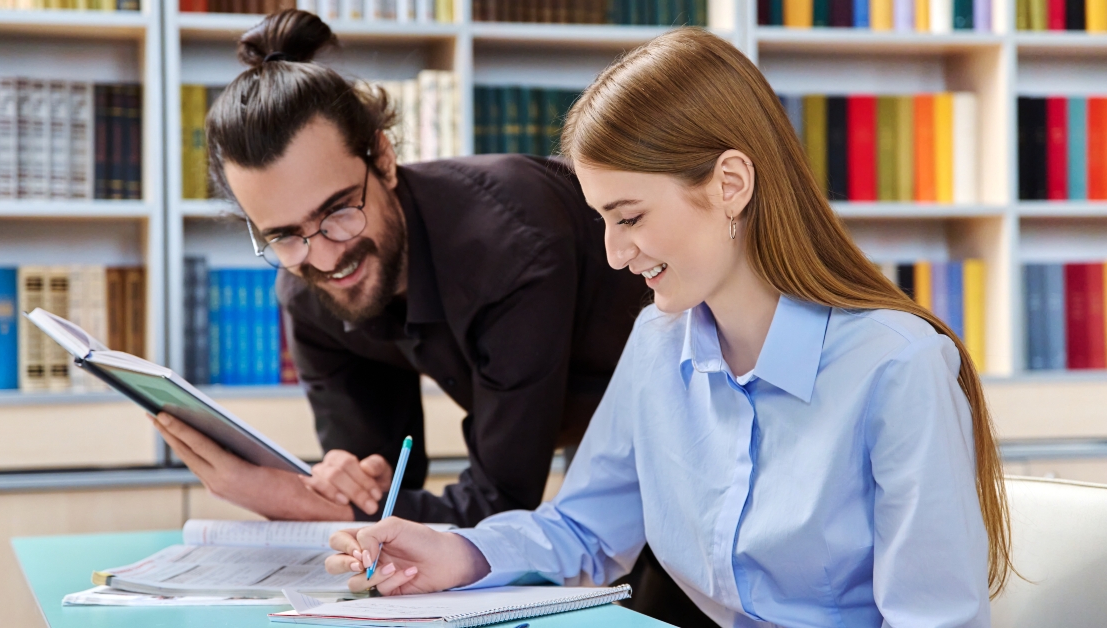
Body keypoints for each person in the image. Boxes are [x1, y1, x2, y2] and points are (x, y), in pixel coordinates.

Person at [324, 27, 1014, 627]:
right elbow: (586, 530)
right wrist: (454, 551)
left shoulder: (898, 367)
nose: (615, 255)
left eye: (629, 218)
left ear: (730, 185)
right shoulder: (660, 341)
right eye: (602, 222)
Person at [150, 10, 715, 627]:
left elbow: (499, 502)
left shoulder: (510, 249)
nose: (324, 255)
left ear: (384, 160)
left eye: (339, 211)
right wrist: (342, 487)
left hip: (696, 413)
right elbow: (391, 507)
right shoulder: (306, 288)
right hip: (590, 492)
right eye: (284, 235)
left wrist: (288, 501)